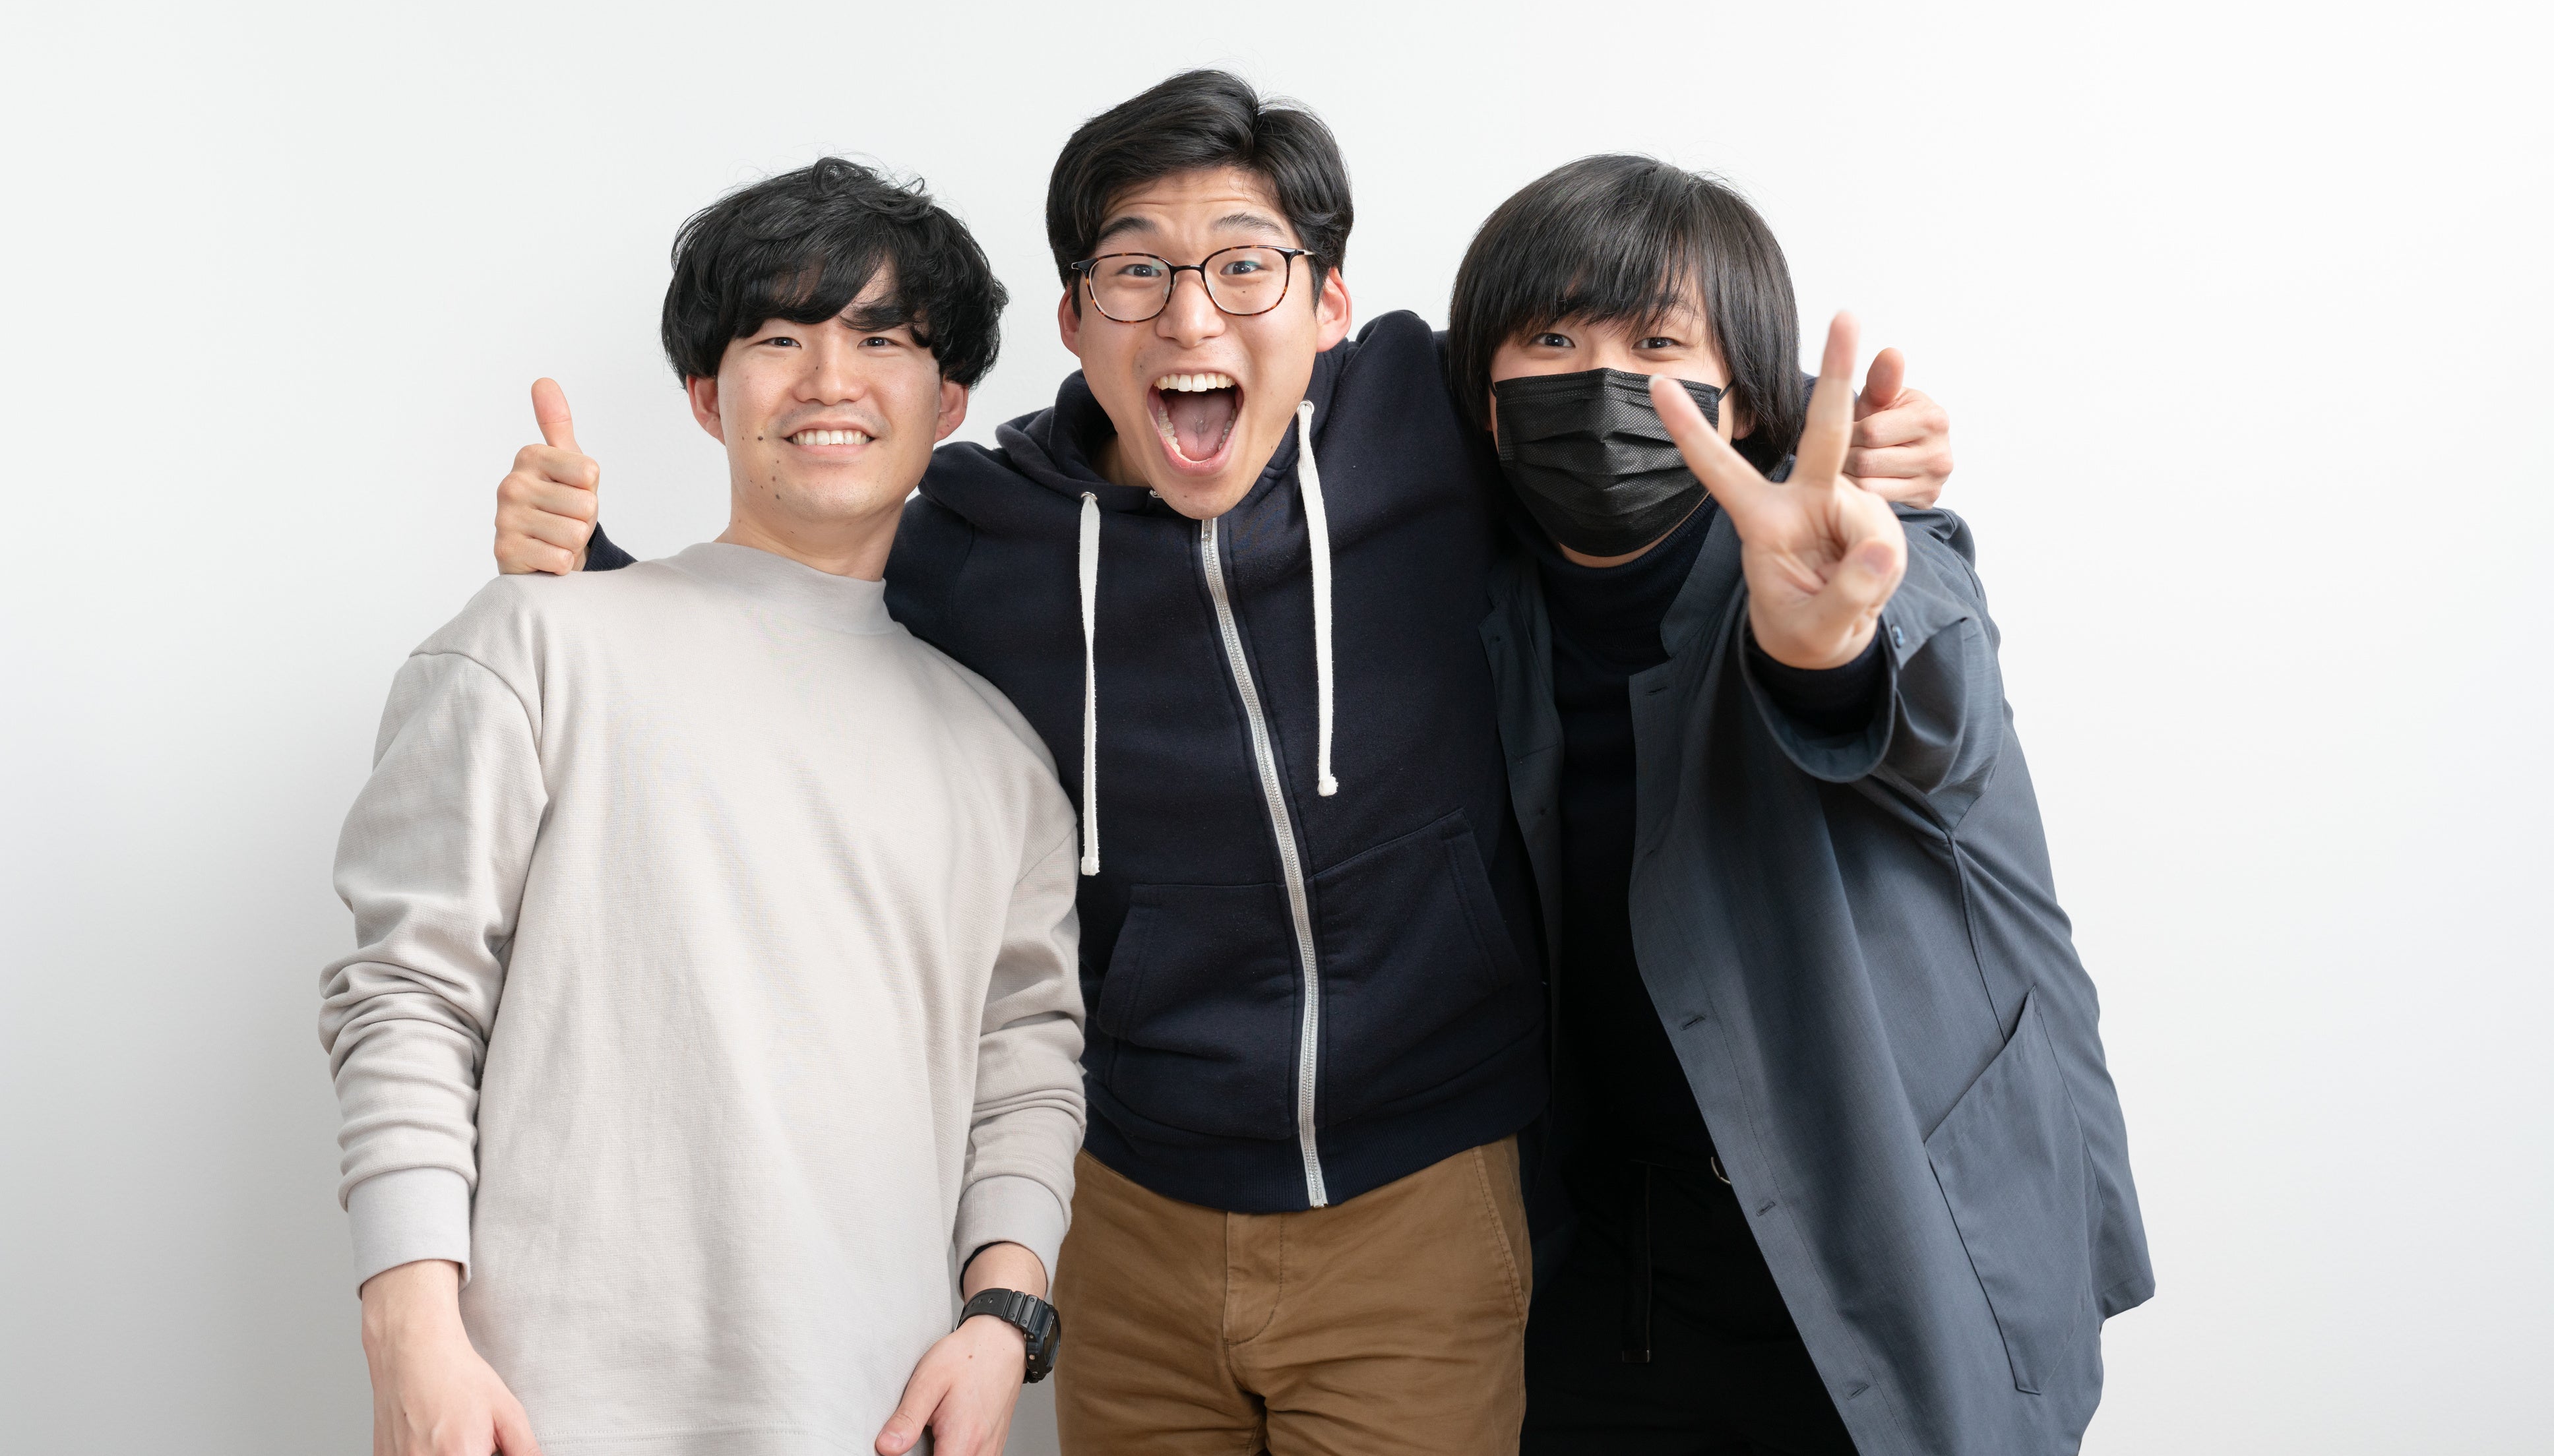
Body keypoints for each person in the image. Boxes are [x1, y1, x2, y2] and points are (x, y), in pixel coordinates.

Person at [494, 73, 1957, 1453]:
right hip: (1128, 1206)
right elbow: (793, 644)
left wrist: (1836, 454)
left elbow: (1627, 408)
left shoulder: (1424, 418)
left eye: (1245, 265)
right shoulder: (982, 535)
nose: (1189, 312)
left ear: (1330, 303)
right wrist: (594, 571)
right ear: (1076, 318)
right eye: (1137, 271)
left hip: (1426, 1190)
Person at [321, 158, 1084, 1456]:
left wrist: (1003, 1315)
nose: (829, 378)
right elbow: (406, 994)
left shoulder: (1000, 753)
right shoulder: (537, 642)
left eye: (882, 339)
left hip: (875, 1414)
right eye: (778, 337)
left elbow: (1027, 1061)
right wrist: (412, 1334)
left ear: (948, 396)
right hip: (539, 1411)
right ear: (703, 391)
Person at [1448, 156, 2152, 1455]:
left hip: (1901, 1238)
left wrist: (1824, 646)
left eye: (1661, 343)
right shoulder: (1474, 594)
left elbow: (1925, 704)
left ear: (1754, 393)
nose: (1605, 383)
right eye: (1549, 339)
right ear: (1480, 392)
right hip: (1617, 1276)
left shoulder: (1860, 547)